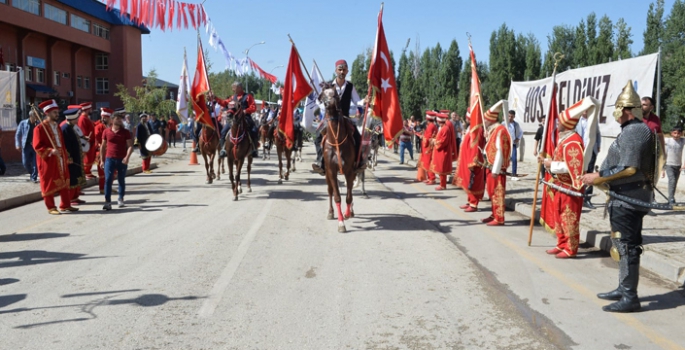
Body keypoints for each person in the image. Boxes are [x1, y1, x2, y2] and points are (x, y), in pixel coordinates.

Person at [580, 81, 656, 313]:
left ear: (628, 110)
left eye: (619, 109)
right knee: (622, 244)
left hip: (629, 199)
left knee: (627, 247)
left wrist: (599, 177)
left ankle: (630, 297)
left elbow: (630, 169)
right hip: (623, 197)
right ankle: (623, 288)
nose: (616, 113)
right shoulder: (632, 130)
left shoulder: (635, 131)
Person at [541, 97, 597, 258]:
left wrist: (551, 164)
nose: (557, 124)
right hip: (561, 184)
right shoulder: (565, 139)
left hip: (571, 186)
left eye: (559, 122)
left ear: (566, 124)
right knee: (559, 216)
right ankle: (561, 243)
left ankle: (571, 248)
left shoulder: (573, 142)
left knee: (569, 217)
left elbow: (574, 167)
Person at [312, 59, 365, 175]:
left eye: (344, 69)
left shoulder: (350, 86)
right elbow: (318, 101)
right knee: (317, 136)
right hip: (330, 118)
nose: (342, 72)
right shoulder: (328, 85)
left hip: (345, 117)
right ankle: (321, 161)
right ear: (336, 70)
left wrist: (365, 101)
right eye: (339, 69)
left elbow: (357, 101)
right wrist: (324, 105)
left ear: (347, 71)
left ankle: (358, 162)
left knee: (357, 136)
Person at [33, 100, 77, 214]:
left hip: (60, 157)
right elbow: (37, 146)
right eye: (54, 112)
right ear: (47, 113)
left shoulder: (57, 126)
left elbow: (61, 143)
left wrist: (65, 155)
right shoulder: (40, 128)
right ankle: (51, 207)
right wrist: (50, 151)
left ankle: (65, 204)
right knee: (49, 181)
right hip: (48, 159)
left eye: (57, 112)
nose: (57, 114)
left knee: (64, 180)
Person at [481, 102, 512, 225]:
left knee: (497, 193)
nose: (484, 121)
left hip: (496, 169)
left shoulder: (500, 130)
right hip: (490, 165)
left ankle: (499, 218)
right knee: (491, 192)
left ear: (490, 120)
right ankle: (494, 214)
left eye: (485, 119)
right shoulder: (494, 130)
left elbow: (501, 150)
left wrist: (495, 170)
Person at [214, 82, 259, 158]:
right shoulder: (232, 97)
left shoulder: (248, 96)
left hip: (245, 117)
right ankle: (223, 149)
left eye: (234, 87)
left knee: (254, 130)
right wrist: (215, 98)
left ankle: (254, 149)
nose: (233, 89)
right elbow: (224, 103)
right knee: (223, 131)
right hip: (234, 119)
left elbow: (253, 107)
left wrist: (246, 110)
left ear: (239, 87)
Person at [100, 112, 133, 210]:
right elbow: (103, 147)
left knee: (121, 180)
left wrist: (127, 158)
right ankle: (107, 202)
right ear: (112, 119)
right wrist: (102, 160)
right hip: (109, 159)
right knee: (108, 179)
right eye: (117, 118)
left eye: (121, 119)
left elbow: (130, 146)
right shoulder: (106, 131)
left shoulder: (125, 132)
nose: (119, 120)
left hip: (122, 159)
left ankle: (121, 198)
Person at [456, 111, 486, 212]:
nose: (467, 119)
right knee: (469, 182)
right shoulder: (471, 128)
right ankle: (469, 201)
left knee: (473, 182)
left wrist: (474, 161)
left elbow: (476, 147)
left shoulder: (478, 129)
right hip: (468, 158)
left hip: (474, 160)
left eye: (468, 117)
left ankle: (474, 204)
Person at [61, 107, 88, 206]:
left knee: (77, 176)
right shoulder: (65, 129)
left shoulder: (72, 127)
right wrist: (69, 157)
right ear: (72, 118)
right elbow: (66, 145)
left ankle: (75, 197)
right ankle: (71, 199)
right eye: (77, 118)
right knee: (72, 178)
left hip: (76, 156)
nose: (78, 120)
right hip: (71, 158)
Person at [576, 110, 602, 209]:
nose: (585, 111)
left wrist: (598, 145)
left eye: (587, 109)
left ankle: (587, 199)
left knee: (590, 173)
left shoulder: (593, 120)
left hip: (591, 150)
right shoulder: (577, 121)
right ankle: (577, 196)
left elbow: (598, 133)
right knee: (578, 172)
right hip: (579, 150)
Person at [430, 112, 457, 190]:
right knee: (441, 168)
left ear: (439, 121)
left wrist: (435, 142)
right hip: (441, 151)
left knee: (442, 169)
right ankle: (442, 184)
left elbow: (443, 141)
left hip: (443, 152)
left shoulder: (445, 129)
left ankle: (443, 185)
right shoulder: (443, 128)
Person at [15, 110, 40, 182]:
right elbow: (18, 134)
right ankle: (32, 172)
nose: (36, 118)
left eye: (37, 116)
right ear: (30, 116)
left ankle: (33, 177)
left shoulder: (38, 124)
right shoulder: (23, 123)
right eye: (35, 116)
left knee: (35, 162)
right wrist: (18, 144)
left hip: (35, 146)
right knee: (25, 163)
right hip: (26, 145)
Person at [663, 124, 685, 204]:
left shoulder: (682, 141)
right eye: (674, 133)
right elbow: (659, 139)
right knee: (672, 180)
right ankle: (671, 199)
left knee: (675, 182)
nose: (676, 135)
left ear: (681, 134)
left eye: (678, 133)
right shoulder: (668, 140)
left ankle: (671, 197)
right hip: (669, 165)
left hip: (678, 165)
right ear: (671, 133)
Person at [94, 108, 112, 194]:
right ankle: (102, 188)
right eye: (103, 117)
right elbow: (97, 140)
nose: (104, 119)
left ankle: (109, 187)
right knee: (102, 172)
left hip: (111, 152)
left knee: (111, 171)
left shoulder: (111, 126)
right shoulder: (99, 127)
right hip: (102, 152)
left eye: (106, 117)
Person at [416, 111, 437, 183]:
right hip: (429, 147)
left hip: (428, 147)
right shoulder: (432, 126)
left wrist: (422, 137)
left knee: (428, 162)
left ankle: (432, 178)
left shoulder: (431, 126)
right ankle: (429, 177)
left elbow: (428, 138)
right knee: (427, 162)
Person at [77, 102, 96, 179]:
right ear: (87, 109)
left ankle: (88, 171)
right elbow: (83, 131)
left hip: (91, 143)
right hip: (87, 143)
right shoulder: (83, 119)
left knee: (90, 158)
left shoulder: (86, 118)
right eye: (90, 109)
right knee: (87, 159)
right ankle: (85, 172)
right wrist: (87, 139)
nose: (91, 110)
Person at [506, 110, 523, 180]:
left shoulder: (516, 124)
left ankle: (513, 174)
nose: (510, 118)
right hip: (505, 144)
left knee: (514, 159)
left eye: (511, 116)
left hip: (513, 144)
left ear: (514, 117)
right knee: (502, 159)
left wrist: (518, 138)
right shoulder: (504, 123)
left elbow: (521, 132)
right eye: (509, 116)